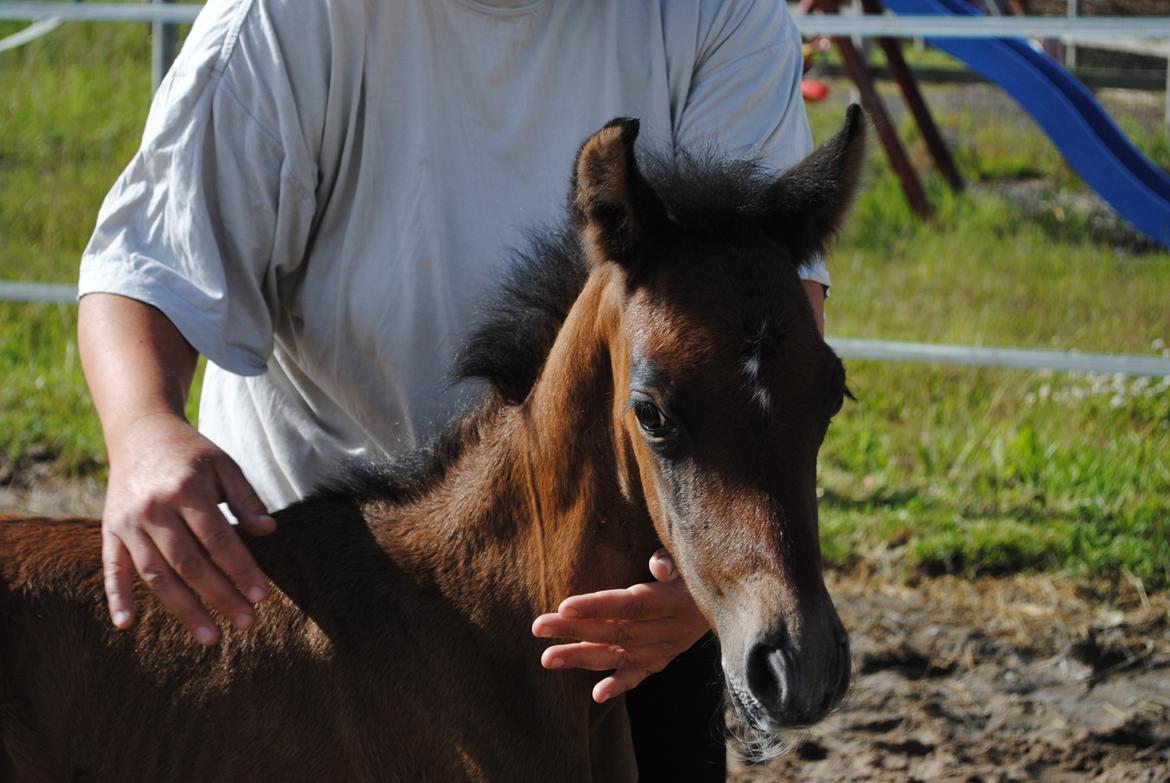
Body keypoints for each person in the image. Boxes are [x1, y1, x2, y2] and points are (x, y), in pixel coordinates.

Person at [78, 0, 828, 778]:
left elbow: (766, 326)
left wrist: (712, 585)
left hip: (620, 610)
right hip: (323, 600)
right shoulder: (287, 17)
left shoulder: (719, 13)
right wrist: (143, 432)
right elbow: (149, 261)